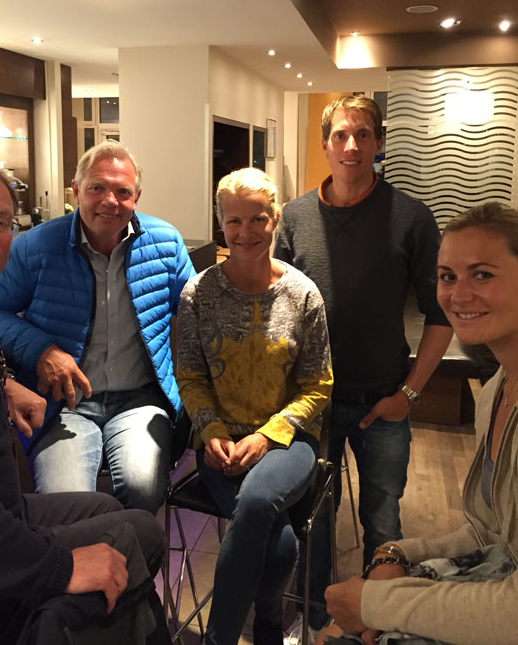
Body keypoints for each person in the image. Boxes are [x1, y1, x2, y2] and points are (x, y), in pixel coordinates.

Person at [0, 158, 170, 645]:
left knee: (125, 508)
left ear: (137, 197)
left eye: (0, 221)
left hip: (122, 411)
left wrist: (1, 384)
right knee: (135, 537)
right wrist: (60, 567)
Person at [273, 95, 453, 640]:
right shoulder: (295, 217)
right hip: (313, 403)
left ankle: (380, 621)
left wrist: (409, 396)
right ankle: (313, 613)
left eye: (363, 135)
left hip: (383, 400)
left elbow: (441, 314)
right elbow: (277, 306)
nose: (352, 145)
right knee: (313, 517)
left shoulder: (411, 218)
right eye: (341, 135)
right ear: (325, 144)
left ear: (379, 144)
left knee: (383, 520)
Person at [323, 201, 518, 645]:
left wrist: (378, 603)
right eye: (447, 276)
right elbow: (489, 532)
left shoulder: (406, 216)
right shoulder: (495, 394)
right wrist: (398, 552)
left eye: (482, 274)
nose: (458, 295)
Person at [0, 140, 195, 513]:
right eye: (97, 187)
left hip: (140, 400)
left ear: (137, 197)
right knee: (65, 505)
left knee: (144, 489)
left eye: (122, 191)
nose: (109, 201)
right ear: (76, 190)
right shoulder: (35, 246)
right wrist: (41, 351)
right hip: (63, 405)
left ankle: (124, 553)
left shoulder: (165, 241)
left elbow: (198, 311)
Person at [176, 168, 333, 645]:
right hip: (220, 443)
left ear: (276, 219)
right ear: (221, 223)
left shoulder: (303, 294)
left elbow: (318, 384)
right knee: (280, 544)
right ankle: (268, 623)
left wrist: (267, 436)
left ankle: (218, 638)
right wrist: (211, 431)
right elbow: (191, 375)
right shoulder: (198, 293)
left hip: (289, 441)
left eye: (257, 219)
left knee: (261, 500)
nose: (245, 232)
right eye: (234, 221)